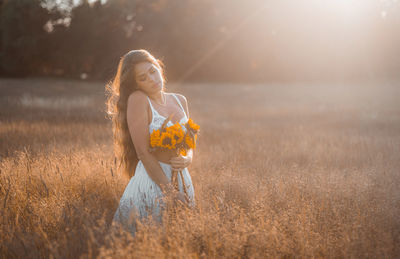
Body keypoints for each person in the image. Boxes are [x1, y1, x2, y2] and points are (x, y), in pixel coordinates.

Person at [106, 49, 195, 236]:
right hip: (154, 181)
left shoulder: (180, 100)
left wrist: (187, 158)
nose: (152, 80)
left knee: (180, 241)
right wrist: (170, 192)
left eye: (152, 71)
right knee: (144, 241)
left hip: (182, 178)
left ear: (159, 67)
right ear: (136, 84)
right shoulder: (138, 100)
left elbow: (189, 142)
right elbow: (143, 153)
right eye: (143, 78)